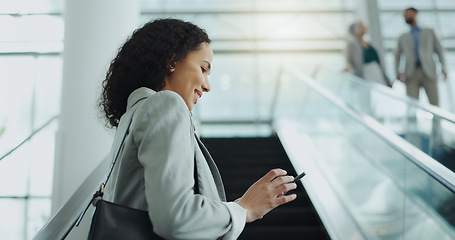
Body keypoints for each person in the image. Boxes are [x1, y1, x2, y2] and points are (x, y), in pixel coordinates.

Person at [99, 18, 297, 240]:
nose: (207, 85)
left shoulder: (131, 116)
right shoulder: (166, 104)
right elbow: (176, 217)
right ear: (171, 61)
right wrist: (244, 209)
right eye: (203, 69)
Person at [395, 7, 447, 107]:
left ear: (415, 13)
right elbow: (397, 55)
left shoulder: (430, 32)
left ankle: (436, 123)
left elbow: (440, 51)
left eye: (407, 14)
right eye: (404, 15)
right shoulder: (402, 37)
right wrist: (397, 72)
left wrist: (443, 68)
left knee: (435, 104)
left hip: (429, 71)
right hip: (411, 74)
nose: (405, 17)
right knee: (412, 105)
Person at [345, 21, 391, 87]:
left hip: (377, 72)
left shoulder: (370, 43)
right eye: (362, 26)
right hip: (365, 74)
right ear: (356, 29)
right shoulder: (352, 45)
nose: (365, 27)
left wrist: (387, 80)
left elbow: (379, 62)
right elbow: (350, 61)